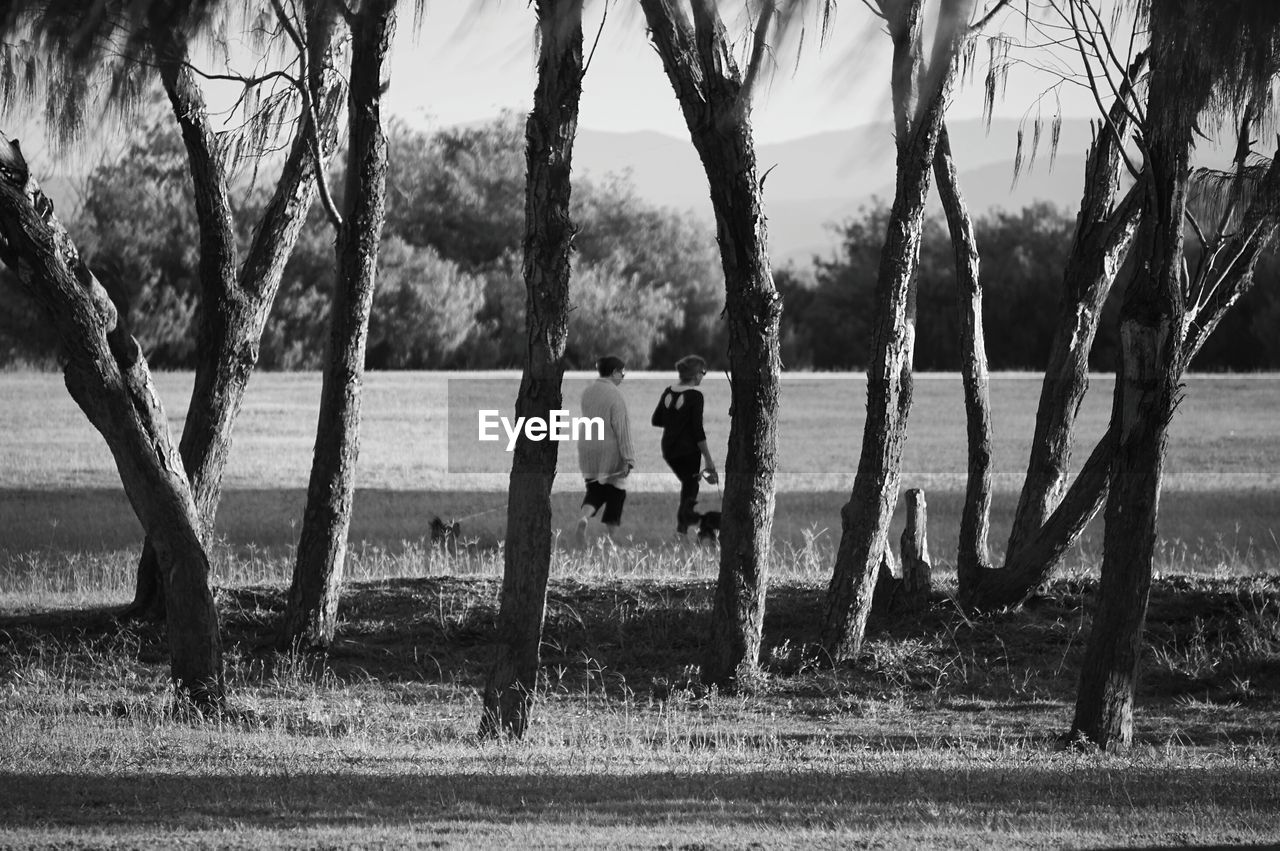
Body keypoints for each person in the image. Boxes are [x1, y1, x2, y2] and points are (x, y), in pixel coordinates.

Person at [651, 354, 718, 539]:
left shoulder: (668, 392)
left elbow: (656, 420)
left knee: (689, 485)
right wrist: (709, 460)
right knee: (690, 488)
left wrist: (674, 420)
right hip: (688, 451)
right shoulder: (695, 396)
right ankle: (681, 532)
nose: (703, 376)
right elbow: (697, 430)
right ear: (696, 374)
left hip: (669, 449)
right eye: (703, 372)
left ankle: (682, 530)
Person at [576, 355, 635, 546]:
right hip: (611, 451)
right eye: (622, 371)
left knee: (595, 490)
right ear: (614, 372)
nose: (623, 376)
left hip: (588, 450)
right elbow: (621, 428)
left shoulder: (588, 392)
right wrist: (628, 458)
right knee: (617, 493)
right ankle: (611, 540)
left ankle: (583, 518)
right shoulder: (615, 396)